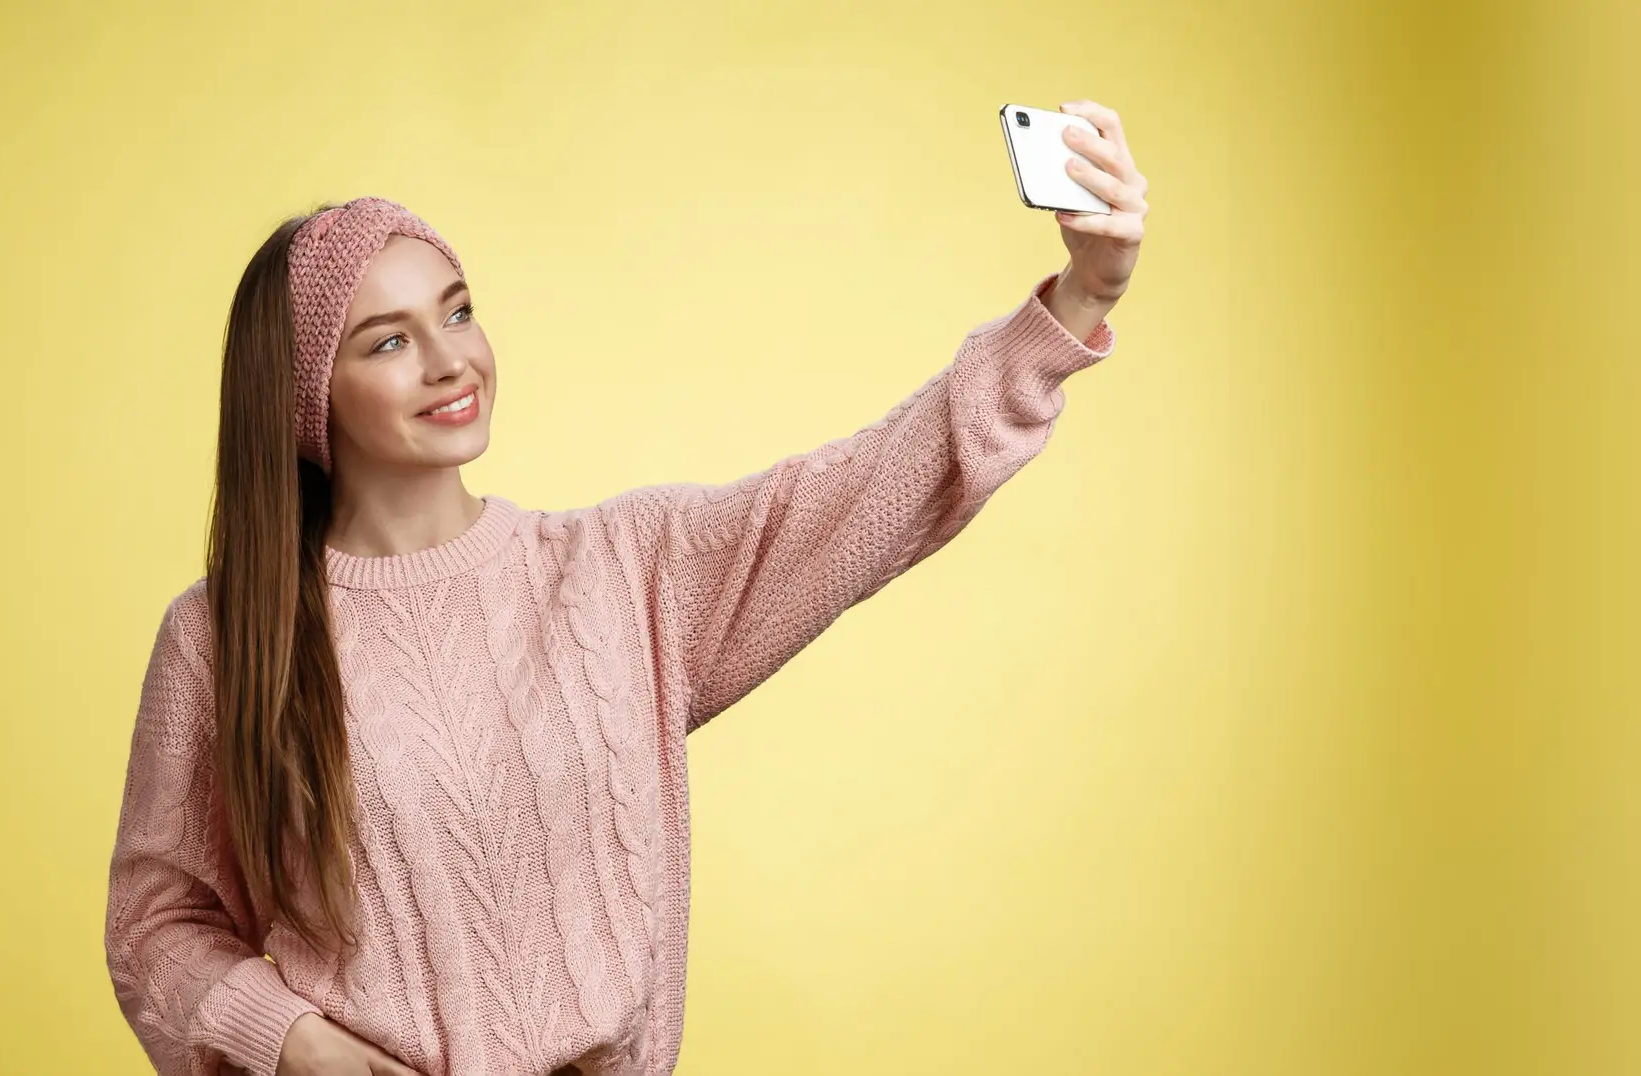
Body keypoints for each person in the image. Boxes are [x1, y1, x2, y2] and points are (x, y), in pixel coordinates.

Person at [103, 100, 1148, 1076]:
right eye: (388, 340)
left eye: (458, 312)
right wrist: (292, 1040)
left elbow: (869, 490)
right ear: (304, 394)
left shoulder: (622, 572)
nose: (449, 359)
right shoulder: (225, 635)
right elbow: (154, 924)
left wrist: (1079, 300)